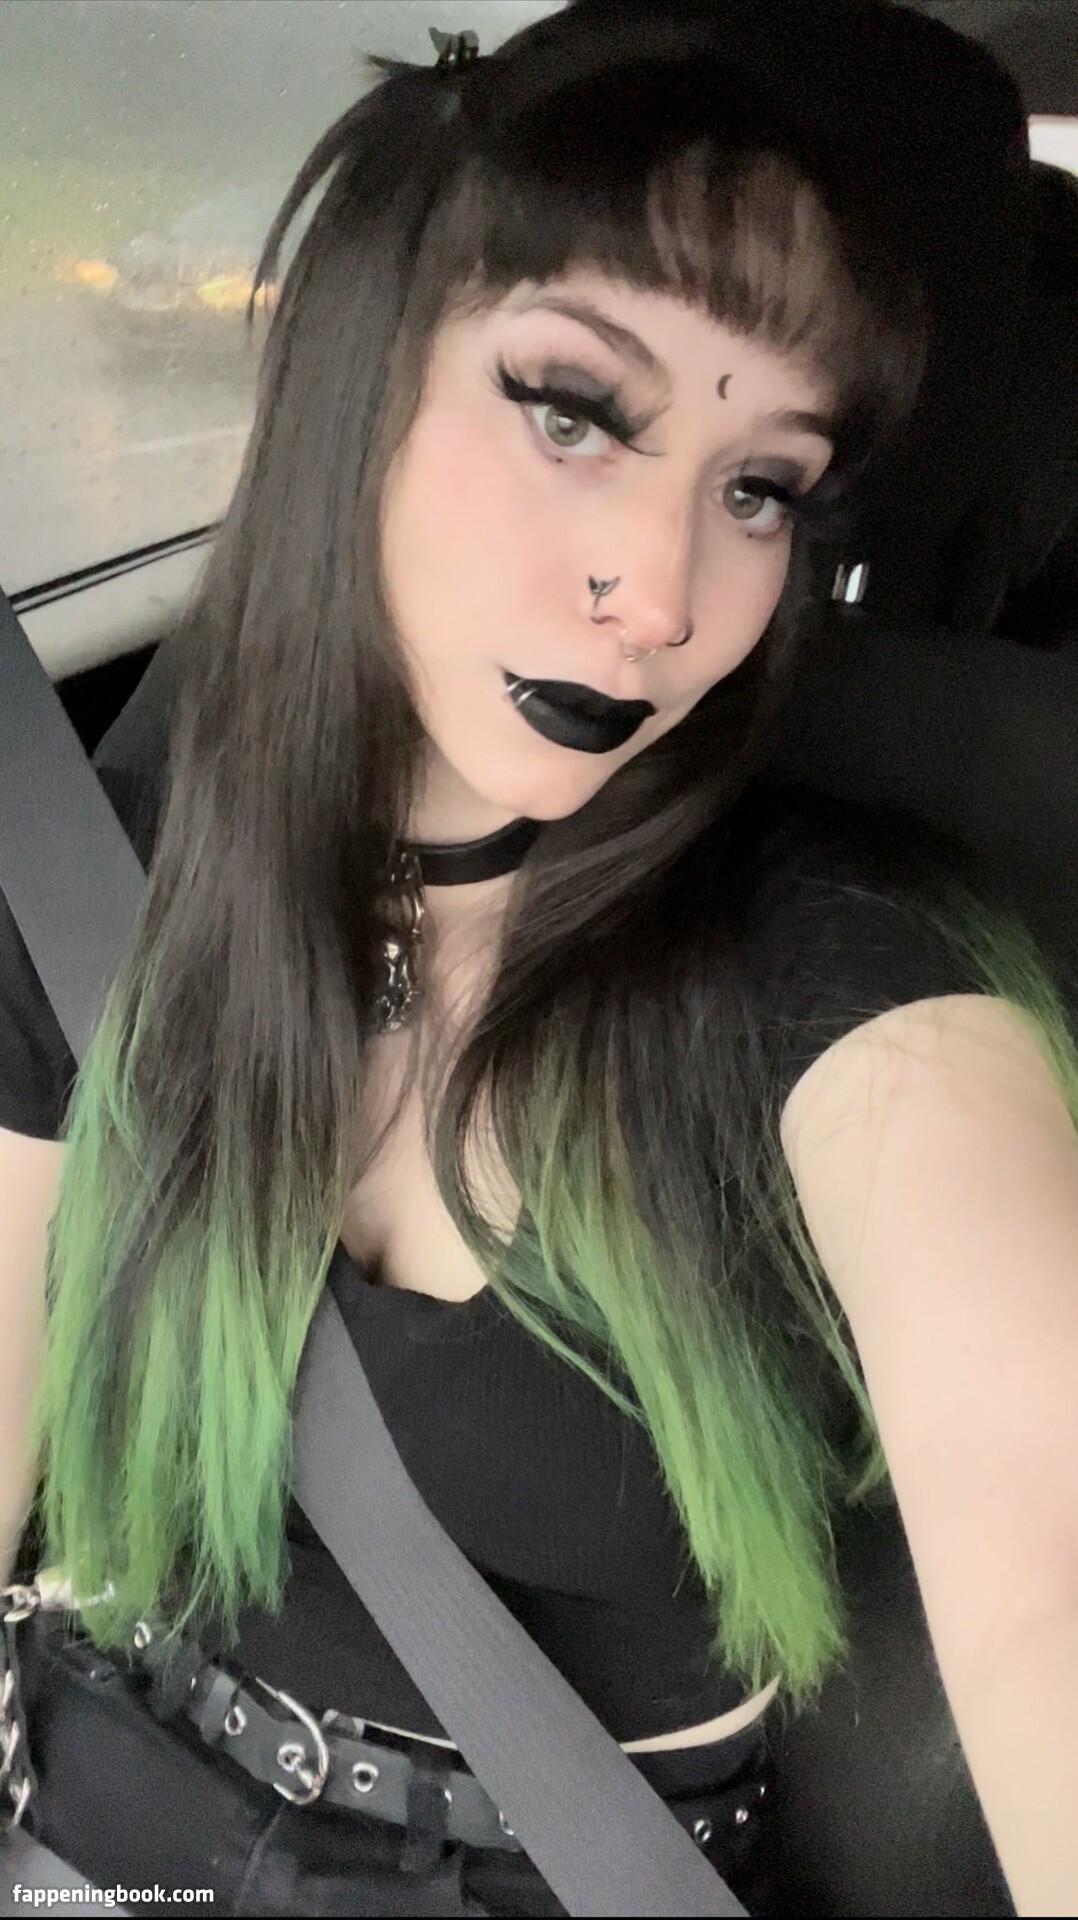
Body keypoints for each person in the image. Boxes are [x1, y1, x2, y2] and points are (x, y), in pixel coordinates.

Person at [2, 3, 1077, 1914]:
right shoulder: (95, 886)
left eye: (759, 488)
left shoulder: (842, 977)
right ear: (349, 377)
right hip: (80, 1803)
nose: (660, 595)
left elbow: (1042, 1587)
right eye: (574, 412)